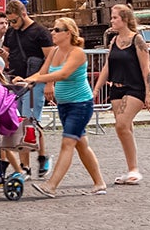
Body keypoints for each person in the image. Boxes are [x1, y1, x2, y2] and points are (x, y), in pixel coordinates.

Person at [19, 16, 105, 197]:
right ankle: (99, 183)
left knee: (67, 143)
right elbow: (42, 73)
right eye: (52, 29)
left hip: (81, 105)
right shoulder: (55, 51)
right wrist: (26, 80)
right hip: (64, 105)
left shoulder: (77, 53)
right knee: (81, 145)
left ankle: (51, 186)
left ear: (68, 33)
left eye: (56, 30)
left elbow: (63, 74)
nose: (52, 33)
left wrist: (33, 79)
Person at [90, 3, 150, 185]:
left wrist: (149, 93)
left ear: (124, 19)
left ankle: (134, 169)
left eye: (115, 17)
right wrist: (96, 88)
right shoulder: (114, 41)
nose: (111, 20)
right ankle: (131, 168)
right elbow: (107, 67)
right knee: (125, 129)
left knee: (121, 125)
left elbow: (145, 68)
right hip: (116, 88)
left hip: (134, 87)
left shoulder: (137, 40)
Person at [1, 0, 54, 177]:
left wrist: (49, 83)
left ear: (24, 14)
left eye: (15, 20)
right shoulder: (10, 32)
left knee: (30, 123)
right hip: (15, 82)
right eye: (10, 21)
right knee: (19, 123)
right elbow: (7, 53)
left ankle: (37, 159)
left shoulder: (40, 32)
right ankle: (28, 165)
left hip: (35, 83)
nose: (12, 24)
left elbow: (50, 59)